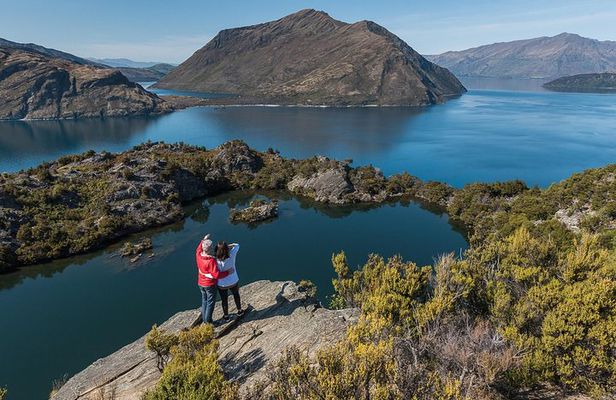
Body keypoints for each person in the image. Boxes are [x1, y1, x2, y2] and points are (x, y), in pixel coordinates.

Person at [196, 234, 233, 324]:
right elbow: (216, 275)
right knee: (210, 303)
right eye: (212, 247)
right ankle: (208, 321)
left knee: (204, 301)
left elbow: (199, 248)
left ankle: (205, 320)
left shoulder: (198, 254)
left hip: (201, 282)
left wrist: (203, 240)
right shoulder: (211, 261)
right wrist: (228, 272)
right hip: (209, 284)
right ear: (210, 249)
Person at [215, 241, 244, 321]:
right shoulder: (232, 254)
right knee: (236, 295)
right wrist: (229, 246)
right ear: (227, 249)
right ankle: (240, 311)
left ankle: (226, 316)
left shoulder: (214, 259)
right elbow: (237, 245)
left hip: (222, 284)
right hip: (233, 281)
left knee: (224, 300)